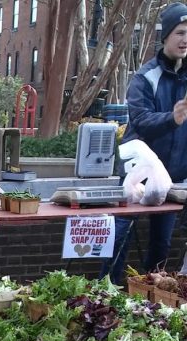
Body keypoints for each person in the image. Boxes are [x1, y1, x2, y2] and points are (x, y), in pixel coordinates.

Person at [106, 3, 187, 283]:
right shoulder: (145, 77)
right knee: (119, 238)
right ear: (165, 36)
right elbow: (140, 121)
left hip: (174, 177)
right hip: (137, 174)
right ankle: (107, 292)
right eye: (180, 32)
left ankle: (152, 302)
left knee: (161, 245)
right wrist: (172, 118)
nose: (185, 39)